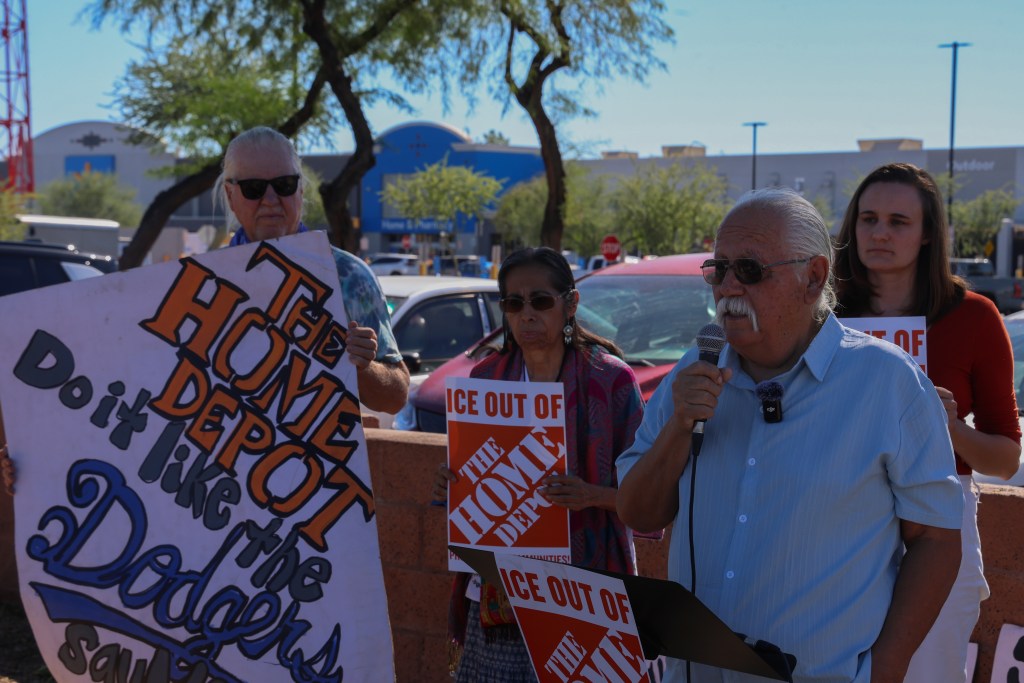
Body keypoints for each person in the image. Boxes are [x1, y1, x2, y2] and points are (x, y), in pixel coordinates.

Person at [616, 188, 964, 683]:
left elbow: (935, 539)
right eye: (719, 269)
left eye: (750, 270)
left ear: (813, 277)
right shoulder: (695, 371)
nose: (728, 287)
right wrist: (678, 426)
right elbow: (638, 512)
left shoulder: (888, 383)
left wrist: (884, 670)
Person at [834, 163, 1021, 682]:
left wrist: (949, 427)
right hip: (837, 513)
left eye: (898, 221)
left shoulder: (974, 317)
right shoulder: (822, 315)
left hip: (938, 519)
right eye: (868, 218)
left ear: (928, 234)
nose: (880, 233)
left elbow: (1006, 460)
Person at [432, 247, 644, 682]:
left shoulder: (611, 381)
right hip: (500, 594)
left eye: (541, 301)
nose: (527, 314)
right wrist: (451, 483)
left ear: (571, 303)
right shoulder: (486, 379)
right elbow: (472, 475)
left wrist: (592, 496)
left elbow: (651, 495)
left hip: (584, 594)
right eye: (514, 303)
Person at [218, 126, 409, 414]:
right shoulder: (200, 281)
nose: (270, 199)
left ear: (300, 190)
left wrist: (361, 366)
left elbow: (395, 398)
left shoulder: (348, 276)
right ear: (230, 195)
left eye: (284, 185)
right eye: (253, 188)